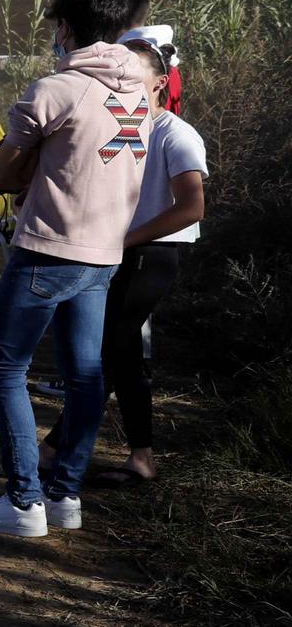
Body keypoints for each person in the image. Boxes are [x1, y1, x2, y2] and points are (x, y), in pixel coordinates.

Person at [0, 0, 147, 538]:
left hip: (47, 249)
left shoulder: (57, 89)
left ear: (65, 28)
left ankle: (22, 501)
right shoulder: (139, 90)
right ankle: (64, 496)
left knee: (4, 367)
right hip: (105, 252)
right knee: (84, 376)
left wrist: (28, 168)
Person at [36, 37, 201, 486]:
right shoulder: (119, 125)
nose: (124, 85)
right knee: (124, 358)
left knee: (103, 356)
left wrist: (127, 239)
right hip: (116, 252)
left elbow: (192, 207)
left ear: (161, 83)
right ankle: (141, 458)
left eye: (136, 78)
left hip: (150, 256)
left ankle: (53, 448)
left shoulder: (176, 134)